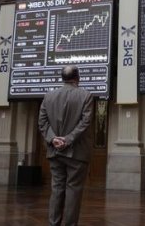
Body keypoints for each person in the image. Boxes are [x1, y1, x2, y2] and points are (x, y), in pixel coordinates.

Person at [38, 65, 94, 226]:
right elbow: (85, 123)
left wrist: (53, 139)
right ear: (78, 78)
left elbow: (42, 122)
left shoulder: (48, 96)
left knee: (56, 189)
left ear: (63, 78)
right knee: (73, 191)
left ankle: (53, 223)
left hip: (54, 151)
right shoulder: (86, 96)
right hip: (77, 153)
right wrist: (67, 140)